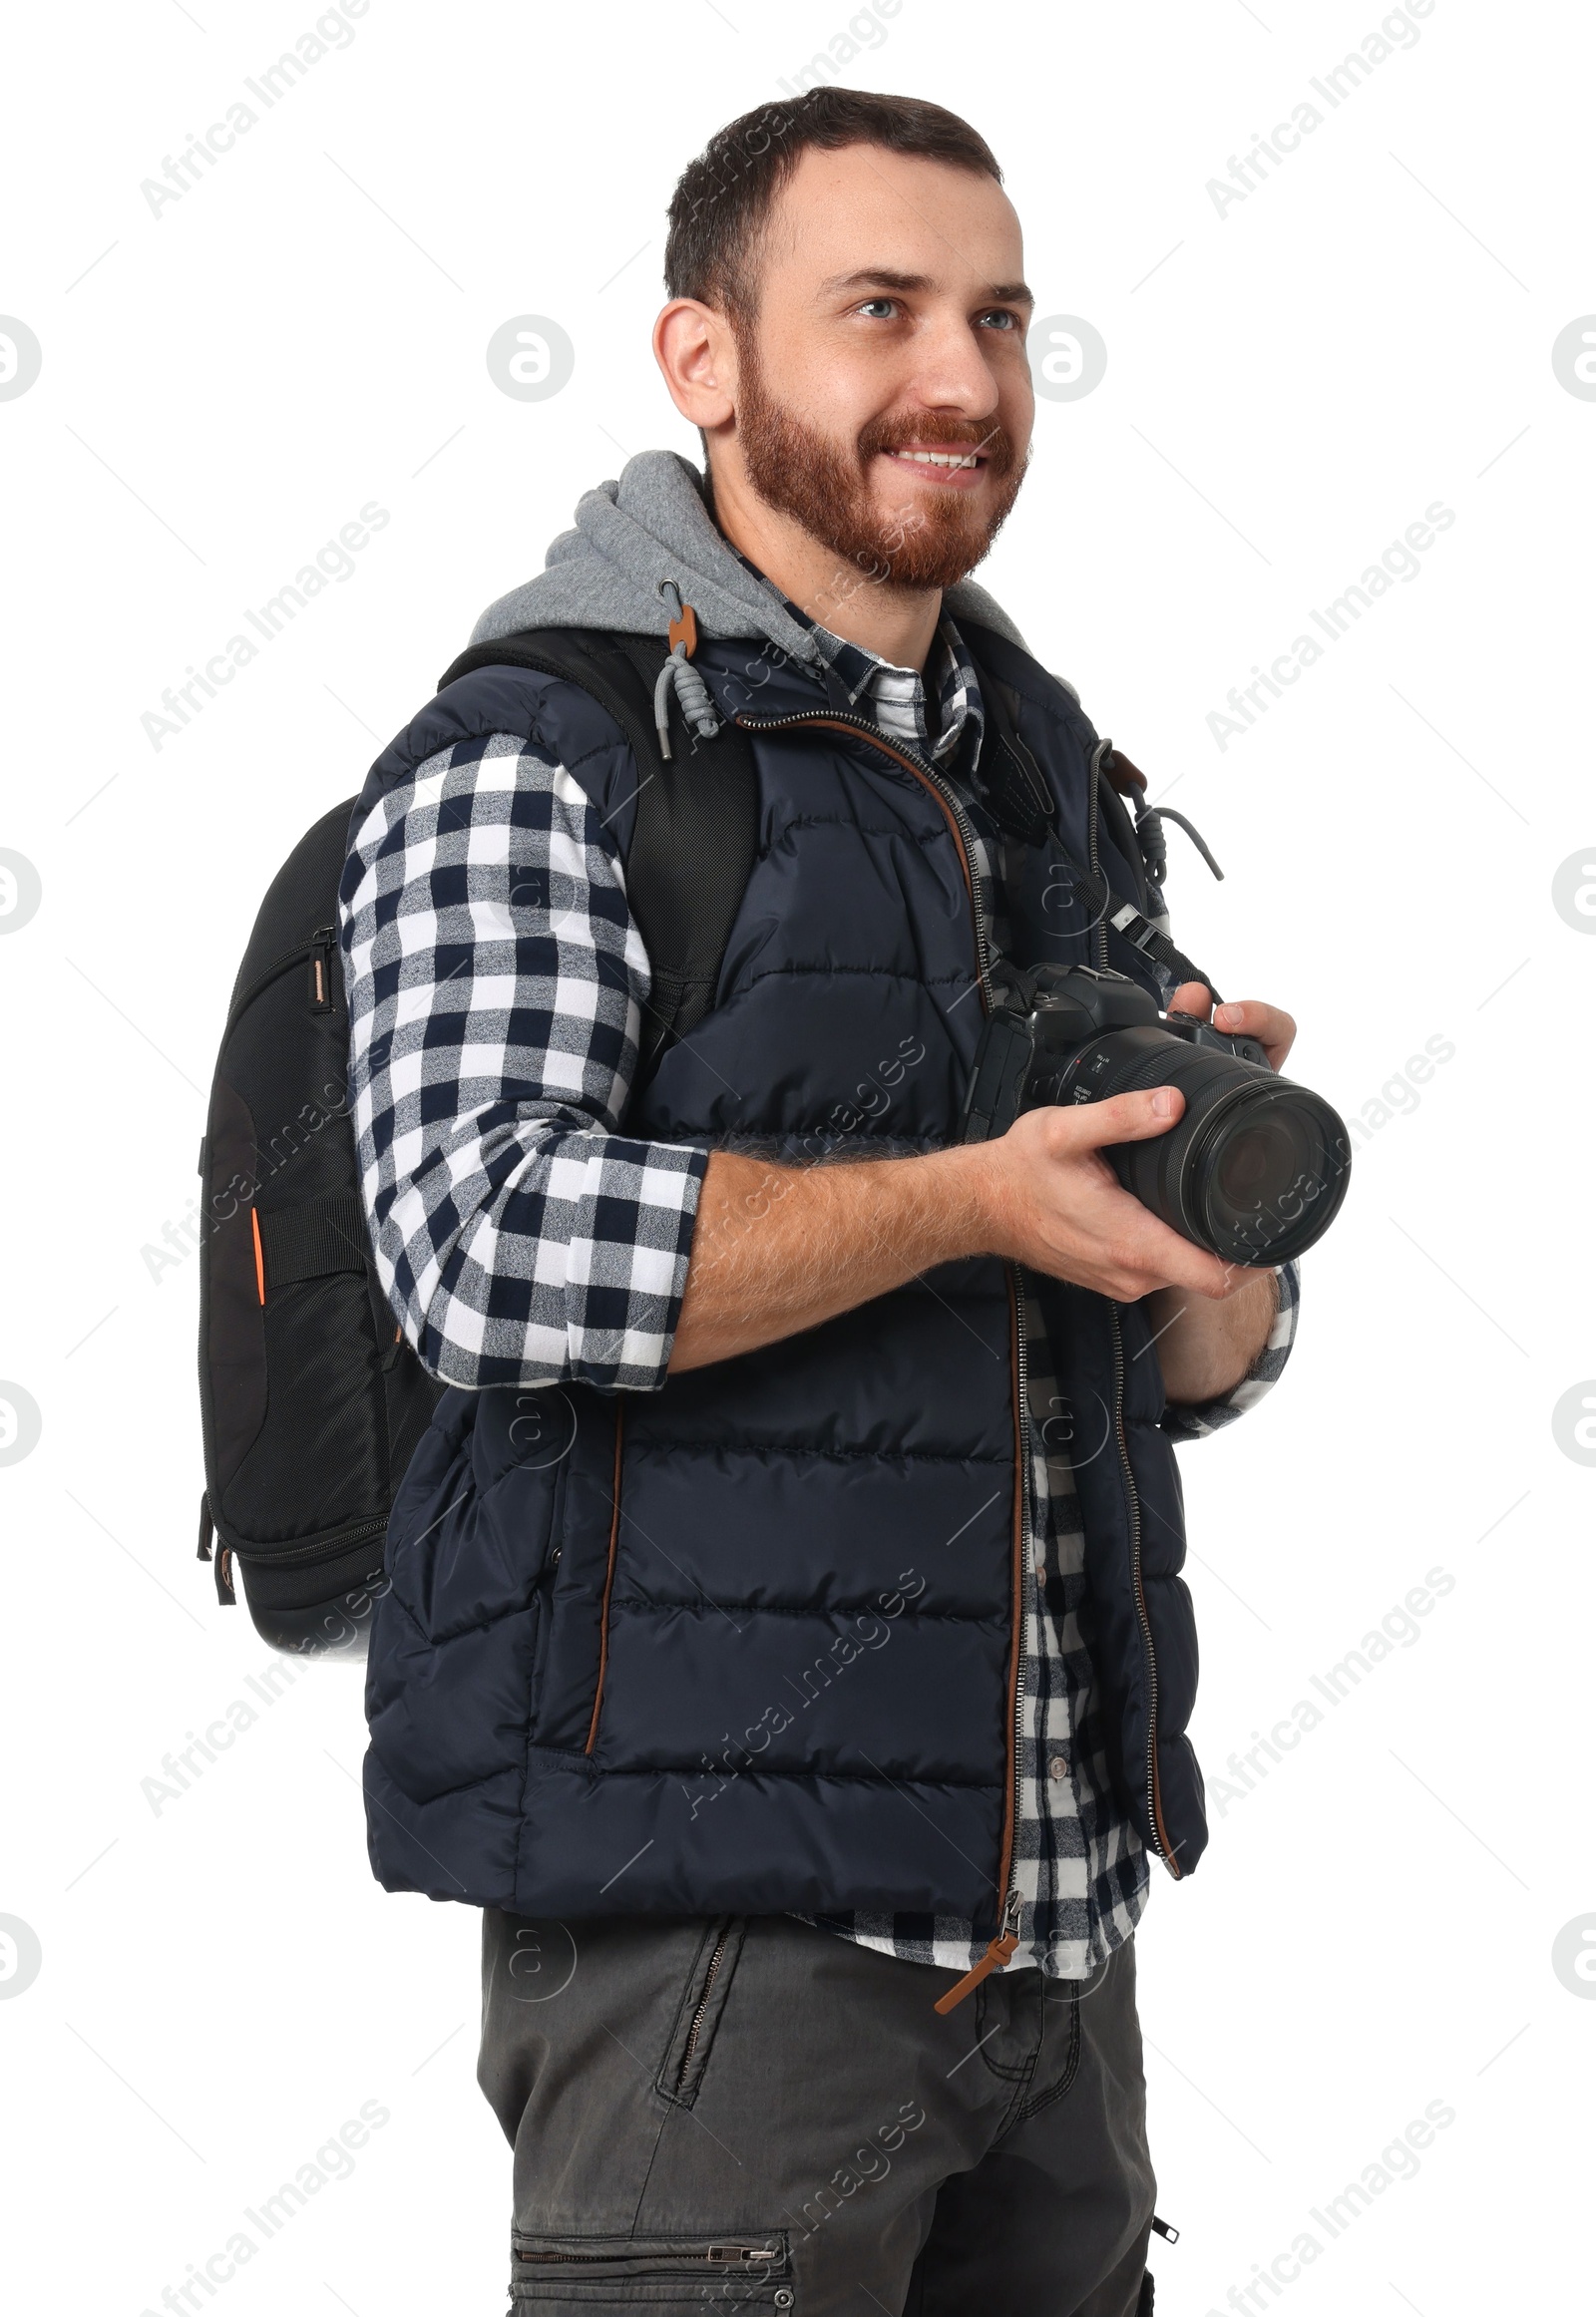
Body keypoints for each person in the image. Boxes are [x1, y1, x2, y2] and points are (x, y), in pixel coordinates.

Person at [339, 88, 1300, 2317]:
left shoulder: (1031, 756)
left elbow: (1177, 1365)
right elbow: (477, 1248)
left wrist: (1209, 1236)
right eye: (877, 311)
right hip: (720, 1957)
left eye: (996, 317)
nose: (958, 379)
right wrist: (965, 1199)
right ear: (703, 360)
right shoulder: (551, 748)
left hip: (1051, 1945)